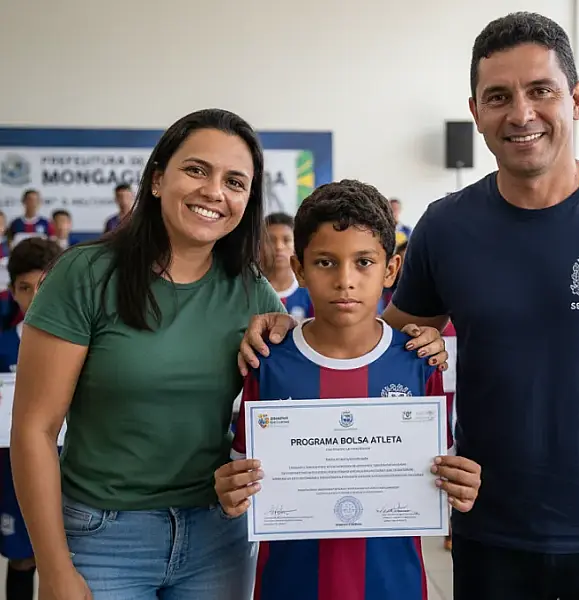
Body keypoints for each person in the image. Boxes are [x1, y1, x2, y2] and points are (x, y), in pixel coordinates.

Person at [238, 11, 579, 600]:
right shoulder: (447, 227)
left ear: (575, 98)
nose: (521, 113)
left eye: (541, 91)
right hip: (490, 533)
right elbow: (368, 343)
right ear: (475, 112)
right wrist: (285, 324)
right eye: (498, 96)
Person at [9, 109, 447, 600]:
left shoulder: (253, 291)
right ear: (157, 179)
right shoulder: (85, 275)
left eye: (235, 181)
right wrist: (54, 566)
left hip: (217, 535)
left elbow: (336, 347)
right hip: (106, 536)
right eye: (196, 170)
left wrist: (412, 342)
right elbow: (33, 430)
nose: (214, 191)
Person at [215, 179, 481, 600]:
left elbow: (439, 471)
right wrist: (231, 490)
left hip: (395, 585)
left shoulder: (418, 361)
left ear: (390, 269)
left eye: (363, 262)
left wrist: (460, 484)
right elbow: (243, 476)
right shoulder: (269, 361)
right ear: (299, 268)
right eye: (325, 262)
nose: (345, 280)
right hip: (290, 585)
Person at [0, 238, 62, 600]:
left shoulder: (84, 341)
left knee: (69, 557)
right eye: (25, 288)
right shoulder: (5, 344)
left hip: (71, 463)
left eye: (44, 286)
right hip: (12, 468)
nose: (35, 297)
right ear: (12, 291)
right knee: (23, 558)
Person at [264, 212, 314, 320]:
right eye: (271, 240)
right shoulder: (250, 291)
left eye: (286, 240)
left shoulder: (310, 292)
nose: (279, 247)